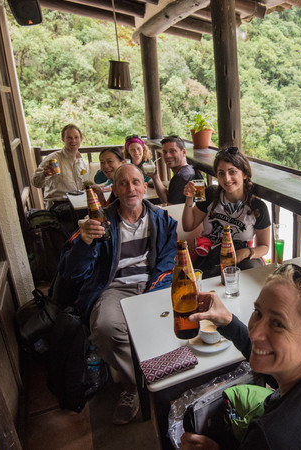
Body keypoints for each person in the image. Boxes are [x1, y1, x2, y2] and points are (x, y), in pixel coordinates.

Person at [181, 264, 301, 449]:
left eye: (278, 324)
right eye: (258, 313)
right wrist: (228, 322)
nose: (255, 334)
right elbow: (277, 357)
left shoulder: (270, 437)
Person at [58, 163, 177, 425]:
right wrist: (84, 244)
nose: (130, 188)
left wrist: (151, 296)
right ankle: (139, 385)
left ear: (144, 187)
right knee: (104, 327)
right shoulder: (101, 222)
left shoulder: (163, 221)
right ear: (115, 189)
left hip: (152, 285)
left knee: (177, 320)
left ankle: (153, 378)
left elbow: (168, 264)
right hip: (114, 287)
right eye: (123, 183)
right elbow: (73, 274)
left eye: (135, 182)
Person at [181, 146, 270, 279]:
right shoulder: (211, 194)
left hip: (240, 259)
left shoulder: (257, 207)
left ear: (244, 174)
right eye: (221, 173)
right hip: (210, 258)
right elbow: (188, 226)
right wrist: (189, 198)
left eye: (232, 172)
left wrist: (246, 252)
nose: (227, 179)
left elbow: (264, 246)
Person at [31, 124, 89, 233]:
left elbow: (85, 184)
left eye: (76, 137)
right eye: (69, 138)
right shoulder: (54, 158)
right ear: (63, 139)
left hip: (78, 204)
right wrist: (44, 174)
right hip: (59, 205)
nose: (73, 141)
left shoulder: (81, 161)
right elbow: (35, 182)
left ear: (81, 139)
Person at [151, 135, 200, 204]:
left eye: (172, 151)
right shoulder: (191, 170)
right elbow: (167, 199)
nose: (167, 155)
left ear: (184, 152)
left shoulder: (181, 177)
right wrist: (155, 177)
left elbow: (169, 204)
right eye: (165, 152)